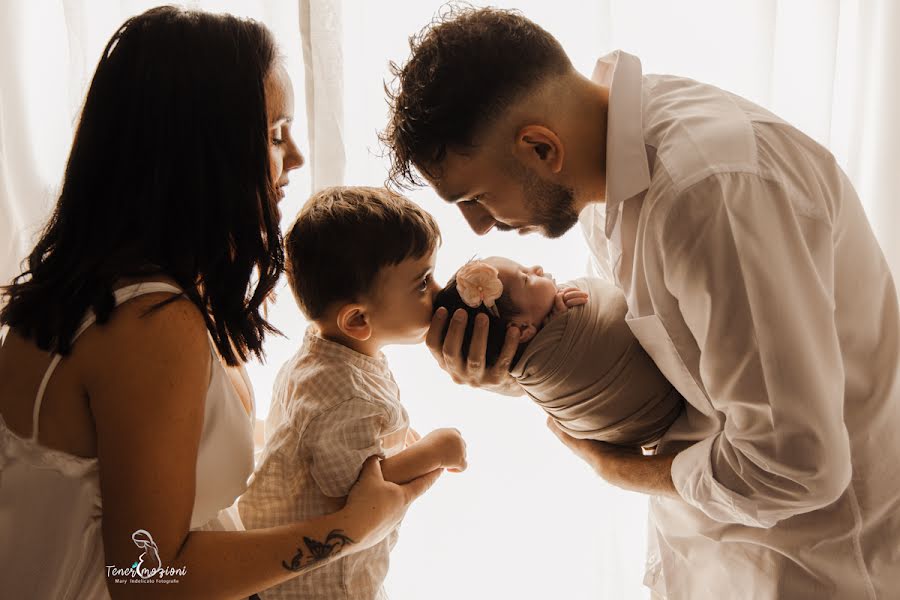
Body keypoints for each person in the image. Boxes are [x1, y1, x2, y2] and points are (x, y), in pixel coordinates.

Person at [381, 6, 900, 599]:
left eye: (475, 197)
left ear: (540, 149)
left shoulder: (710, 195)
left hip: (814, 567)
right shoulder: (604, 171)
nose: (477, 227)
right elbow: (674, 365)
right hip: (712, 555)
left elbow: (794, 468)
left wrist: (614, 469)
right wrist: (514, 370)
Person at [0, 7, 440, 600]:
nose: (297, 159)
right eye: (274, 133)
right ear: (202, 152)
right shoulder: (147, 325)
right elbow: (146, 578)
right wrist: (350, 527)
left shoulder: (111, 289)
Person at [239, 186, 468, 599]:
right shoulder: (346, 395)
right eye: (421, 283)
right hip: (315, 587)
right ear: (359, 320)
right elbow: (358, 489)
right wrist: (437, 449)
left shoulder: (329, 353)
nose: (437, 291)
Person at [434, 257, 682, 447]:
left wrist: (555, 317)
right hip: (657, 406)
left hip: (648, 431)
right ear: (521, 329)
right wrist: (561, 319)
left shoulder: (541, 334)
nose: (537, 268)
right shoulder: (543, 365)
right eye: (526, 278)